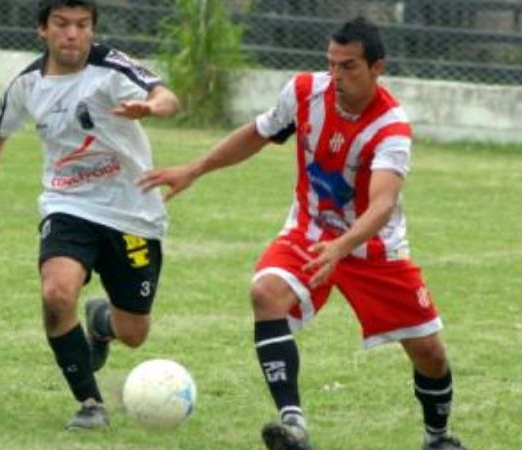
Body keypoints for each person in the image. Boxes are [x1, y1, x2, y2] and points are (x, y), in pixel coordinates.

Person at [138, 17, 468, 450]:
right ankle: (293, 425)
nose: (336, 77)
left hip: (373, 249)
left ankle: (437, 437)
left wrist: (343, 246)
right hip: (309, 232)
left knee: (429, 352)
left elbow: (382, 204)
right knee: (265, 293)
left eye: (349, 67)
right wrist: (195, 168)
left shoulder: (390, 128)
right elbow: (258, 133)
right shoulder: (303, 93)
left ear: (377, 67)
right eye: (331, 64)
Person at [0, 0, 179, 430]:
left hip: (133, 212)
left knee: (134, 333)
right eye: (62, 24)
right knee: (56, 294)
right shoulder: (28, 84)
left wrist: (152, 107)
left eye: (82, 25)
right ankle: (90, 402)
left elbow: (166, 96)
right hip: (69, 205)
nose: (72, 33)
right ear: (42, 30)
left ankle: (101, 321)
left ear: (92, 30)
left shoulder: (111, 67)